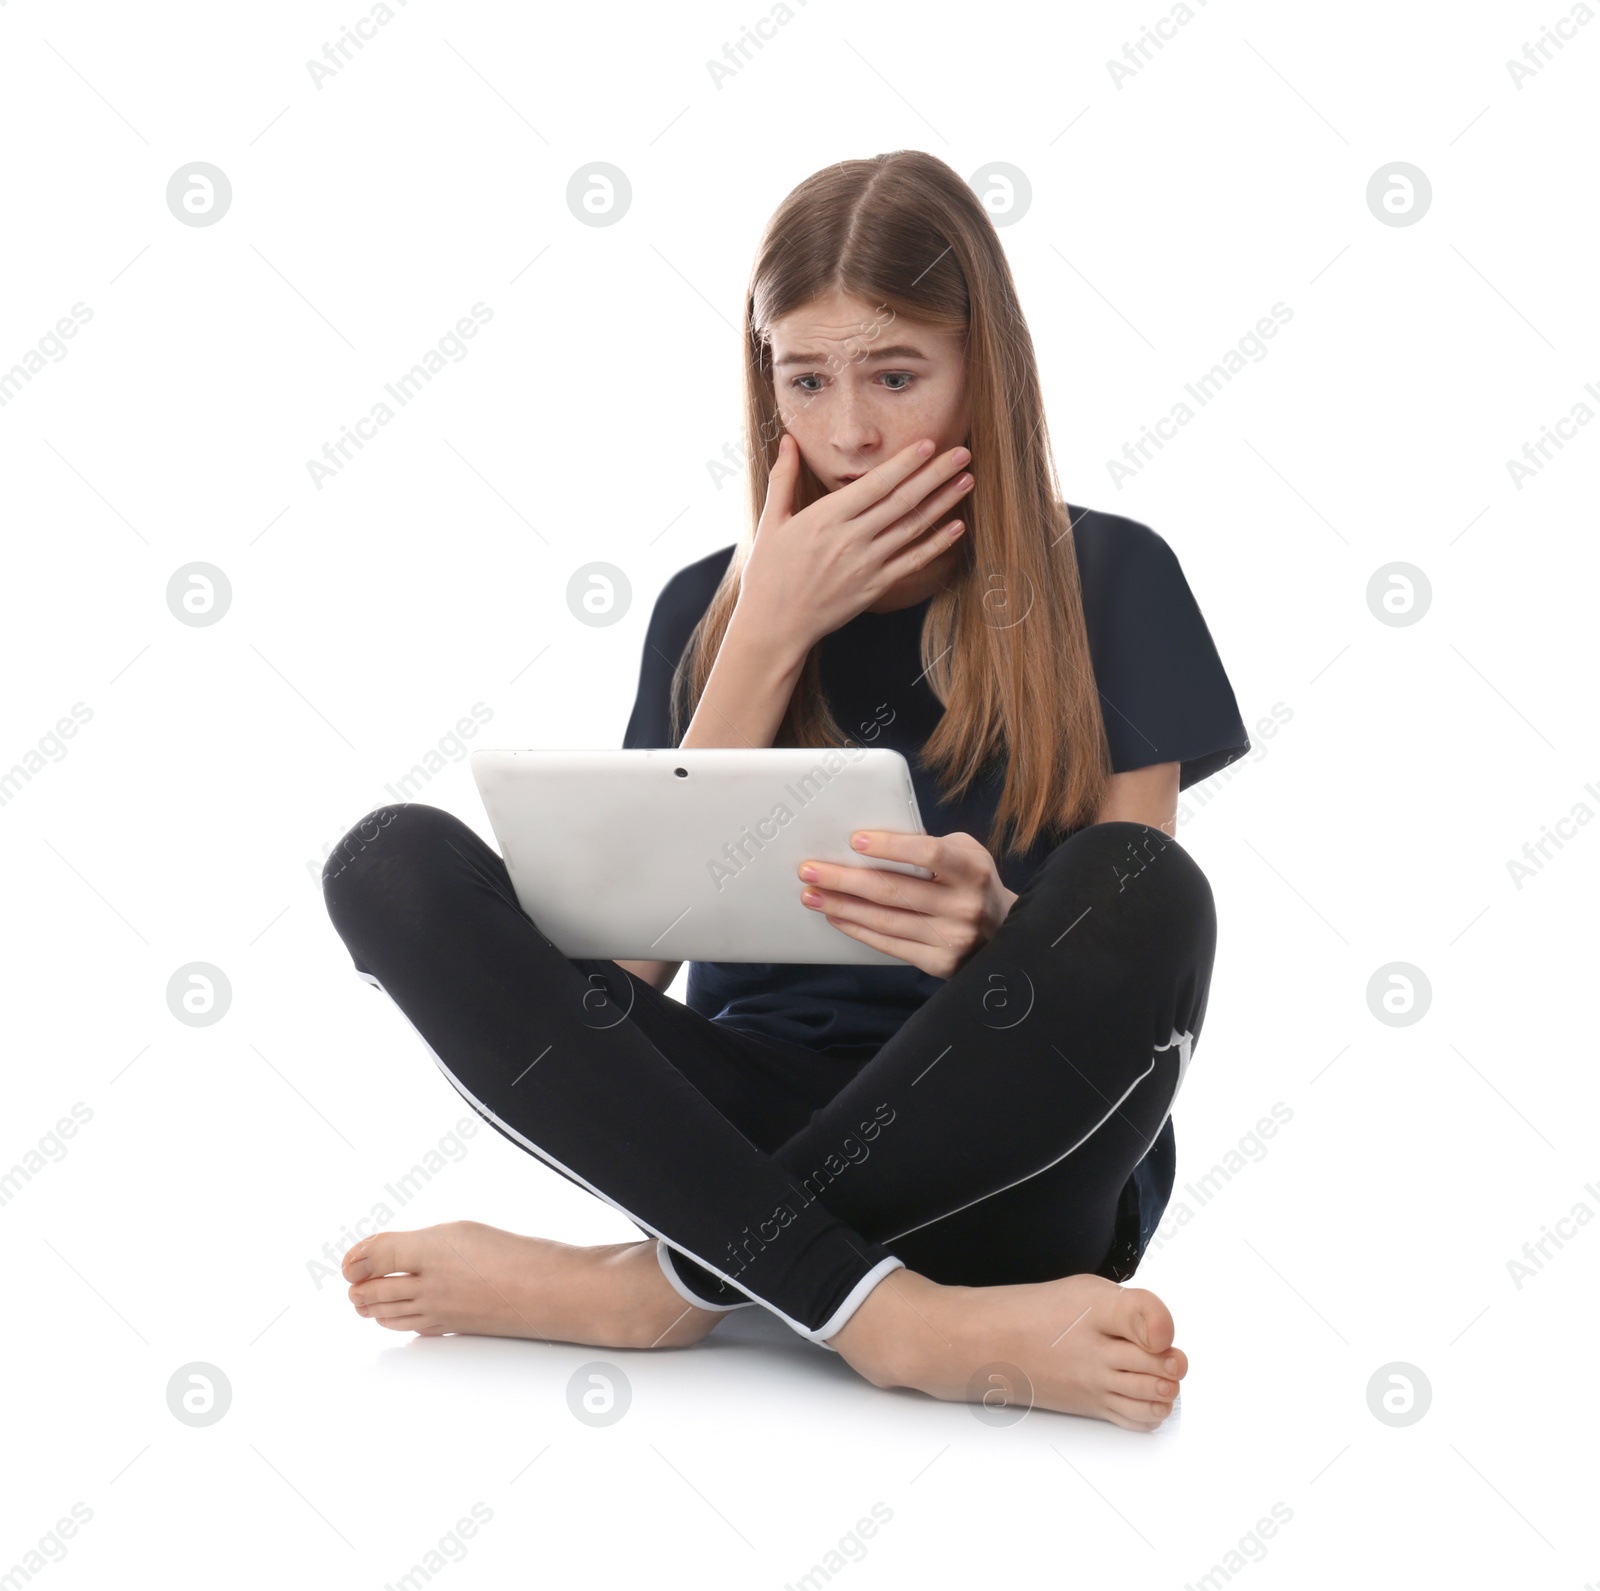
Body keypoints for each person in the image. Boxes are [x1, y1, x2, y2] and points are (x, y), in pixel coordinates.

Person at [321, 150, 1250, 1431]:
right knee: (389, 862)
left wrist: (995, 948)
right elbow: (618, 984)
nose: (850, 430)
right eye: (805, 379)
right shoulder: (706, 606)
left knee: (1142, 884)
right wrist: (762, 632)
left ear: (987, 366)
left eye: (895, 375)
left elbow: (1139, 960)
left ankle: (655, 1290)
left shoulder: (1112, 576)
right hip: (721, 1130)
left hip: (1014, 1155)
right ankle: (889, 1317)